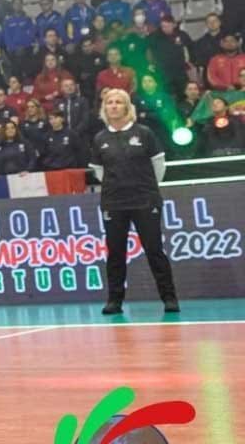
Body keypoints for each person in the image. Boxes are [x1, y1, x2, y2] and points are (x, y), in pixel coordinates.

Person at [90, 88, 178, 315]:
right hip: (114, 203)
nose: (114, 106)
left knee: (154, 250)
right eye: (110, 102)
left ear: (127, 107)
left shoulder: (144, 133)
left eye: (119, 102)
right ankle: (114, 301)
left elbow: (158, 164)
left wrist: (145, 187)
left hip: (144, 200)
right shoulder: (100, 138)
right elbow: (99, 171)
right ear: (105, 108)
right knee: (116, 253)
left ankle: (169, 298)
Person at [148, 14, 193, 98]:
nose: (165, 28)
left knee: (184, 95)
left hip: (180, 71)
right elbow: (147, 50)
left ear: (174, 24)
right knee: (167, 96)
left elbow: (191, 48)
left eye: (168, 26)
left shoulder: (182, 35)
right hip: (163, 73)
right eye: (163, 26)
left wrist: (190, 61)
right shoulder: (154, 37)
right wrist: (151, 64)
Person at [135, 74, 176, 148]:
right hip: (144, 131)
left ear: (155, 83)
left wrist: (146, 115)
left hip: (162, 131)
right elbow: (137, 115)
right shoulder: (137, 98)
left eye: (149, 81)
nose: (147, 84)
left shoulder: (164, 97)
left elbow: (167, 114)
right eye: (144, 82)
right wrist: (157, 113)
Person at [2, 0, 37, 81]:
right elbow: (6, 36)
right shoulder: (8, 20)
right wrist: (13, 48)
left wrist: (24, 46)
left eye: (19, 3)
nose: (17, 5)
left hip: (27, 50)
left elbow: (32, 34)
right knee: (16, 76)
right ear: (12, 6)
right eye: (15, 4)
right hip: (13, 52)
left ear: (22, 5)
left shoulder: (28, 19)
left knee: (29, 75)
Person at [67, 36, 106, 103]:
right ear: (81, 47)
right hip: (83, 88)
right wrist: (80, 76)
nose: (87, 48)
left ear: (93, 45)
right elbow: (74, 76)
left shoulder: (100, 57)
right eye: (85, 46)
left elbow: (104, 72)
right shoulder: (76, 59)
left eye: (89, 45)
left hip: (98, 87)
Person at [192, 12, 226, 78]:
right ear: (206, 25)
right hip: (209, 75)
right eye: (209, 22)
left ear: (219, 23)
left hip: (227, 73)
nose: (212, 24)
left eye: (214, 21)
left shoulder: (228, 39)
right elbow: (200, 61)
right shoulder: (200, 42)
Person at [56, 78, 91, 142]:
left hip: (80, 135)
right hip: (63, 136)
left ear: (75, 87)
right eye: (66, 86)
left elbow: (85, 120)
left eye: (71, 85)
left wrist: (74, 133)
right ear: (61, 88)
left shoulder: (82, 101)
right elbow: (56, 119)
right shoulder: (58, 102)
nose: (69, 87)